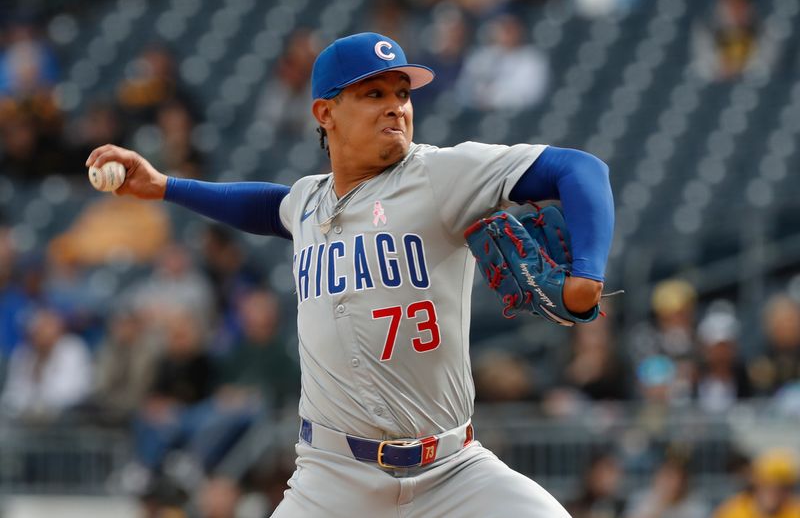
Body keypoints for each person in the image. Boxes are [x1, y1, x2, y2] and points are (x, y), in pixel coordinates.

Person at [86, 32, 614, 517]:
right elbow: (268, 207)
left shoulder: (439, 174)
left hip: (452, 471)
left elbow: (581, 169)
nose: (396, 108)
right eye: (373, 94)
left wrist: (586, 274)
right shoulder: (308, 202)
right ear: (325, 112)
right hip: (333, 478)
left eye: (402, 94)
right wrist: (165, 187)